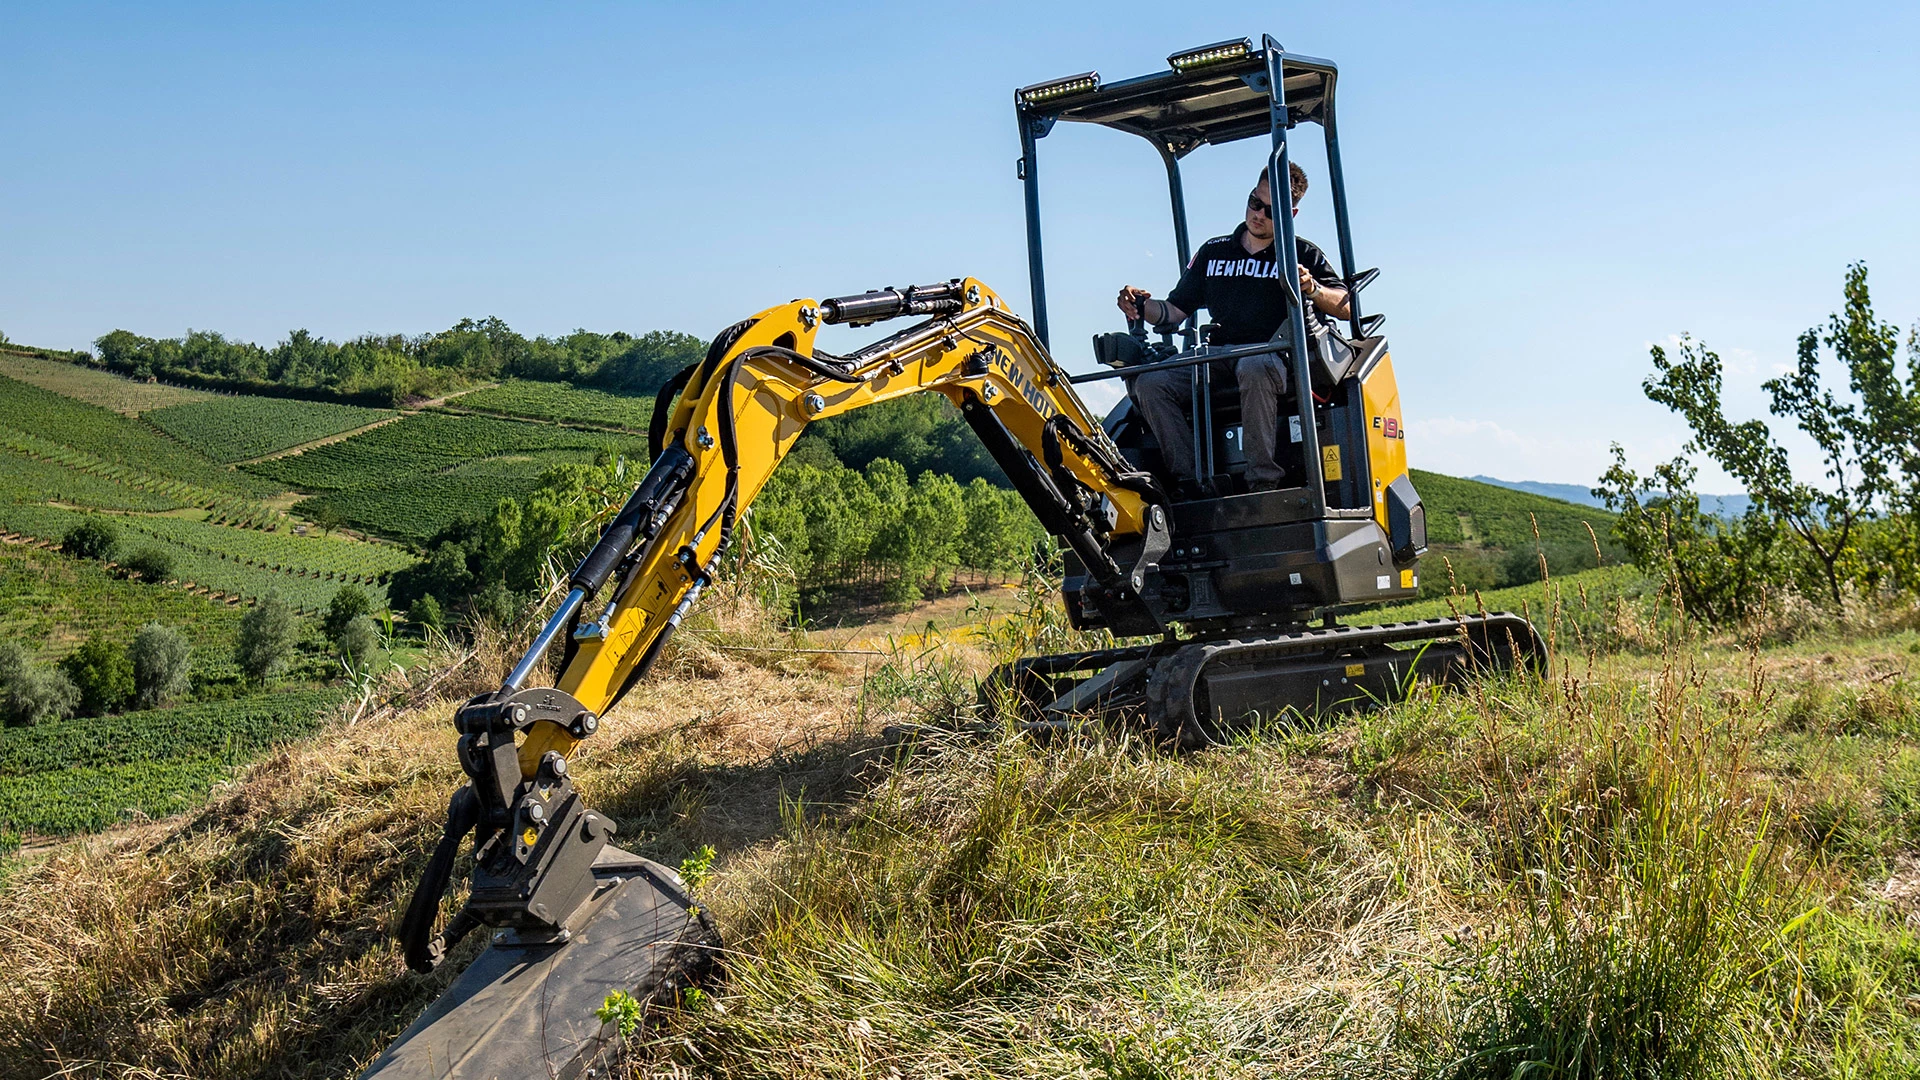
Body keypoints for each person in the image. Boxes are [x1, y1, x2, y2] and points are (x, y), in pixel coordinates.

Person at [1115, 161, 1351, 494]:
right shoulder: (1214, 252)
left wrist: (1312, 288)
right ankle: (1192, 482)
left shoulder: (1303, 254)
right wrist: (1139, 305)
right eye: (1255, 203)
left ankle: (1262, 484)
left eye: (1269, 211)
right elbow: (1173, 310)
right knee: (1151, 383)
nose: (1258, 214)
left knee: (1254, 366)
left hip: (1272, 355)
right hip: (1216, 355)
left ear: (1290, 215)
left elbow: (1346, 306)